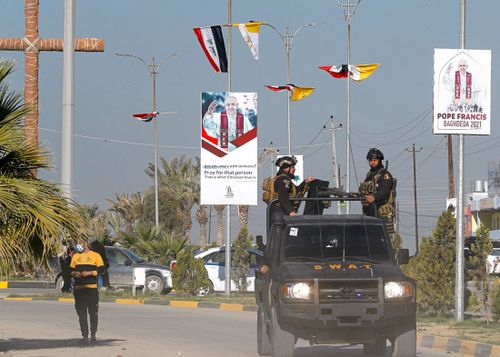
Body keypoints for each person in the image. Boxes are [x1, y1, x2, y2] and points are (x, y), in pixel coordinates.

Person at [70, 240, 105, 345]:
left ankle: (93, 335)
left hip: (92, 289)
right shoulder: (75, 256)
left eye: (80, 242)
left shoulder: (96, 256)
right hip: (79, 290)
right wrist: (75, 273)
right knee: (81, 314)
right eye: (78, 243)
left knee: (93, 313)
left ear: (86, 243)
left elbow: (102, 270)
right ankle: (85, 336)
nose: (78, 245)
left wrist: (90, 273)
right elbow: (70, 271)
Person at [358, 148, 395, 234]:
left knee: (379, 236)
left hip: (380, 212)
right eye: (370, 160)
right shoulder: (370, 175)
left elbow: (384, 191)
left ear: (380, 160)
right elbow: (367, 190)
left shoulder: (385, 175)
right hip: (369, 211)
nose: (372, 162)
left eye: (375, 160)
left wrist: (374, 197)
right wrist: (358, 194)